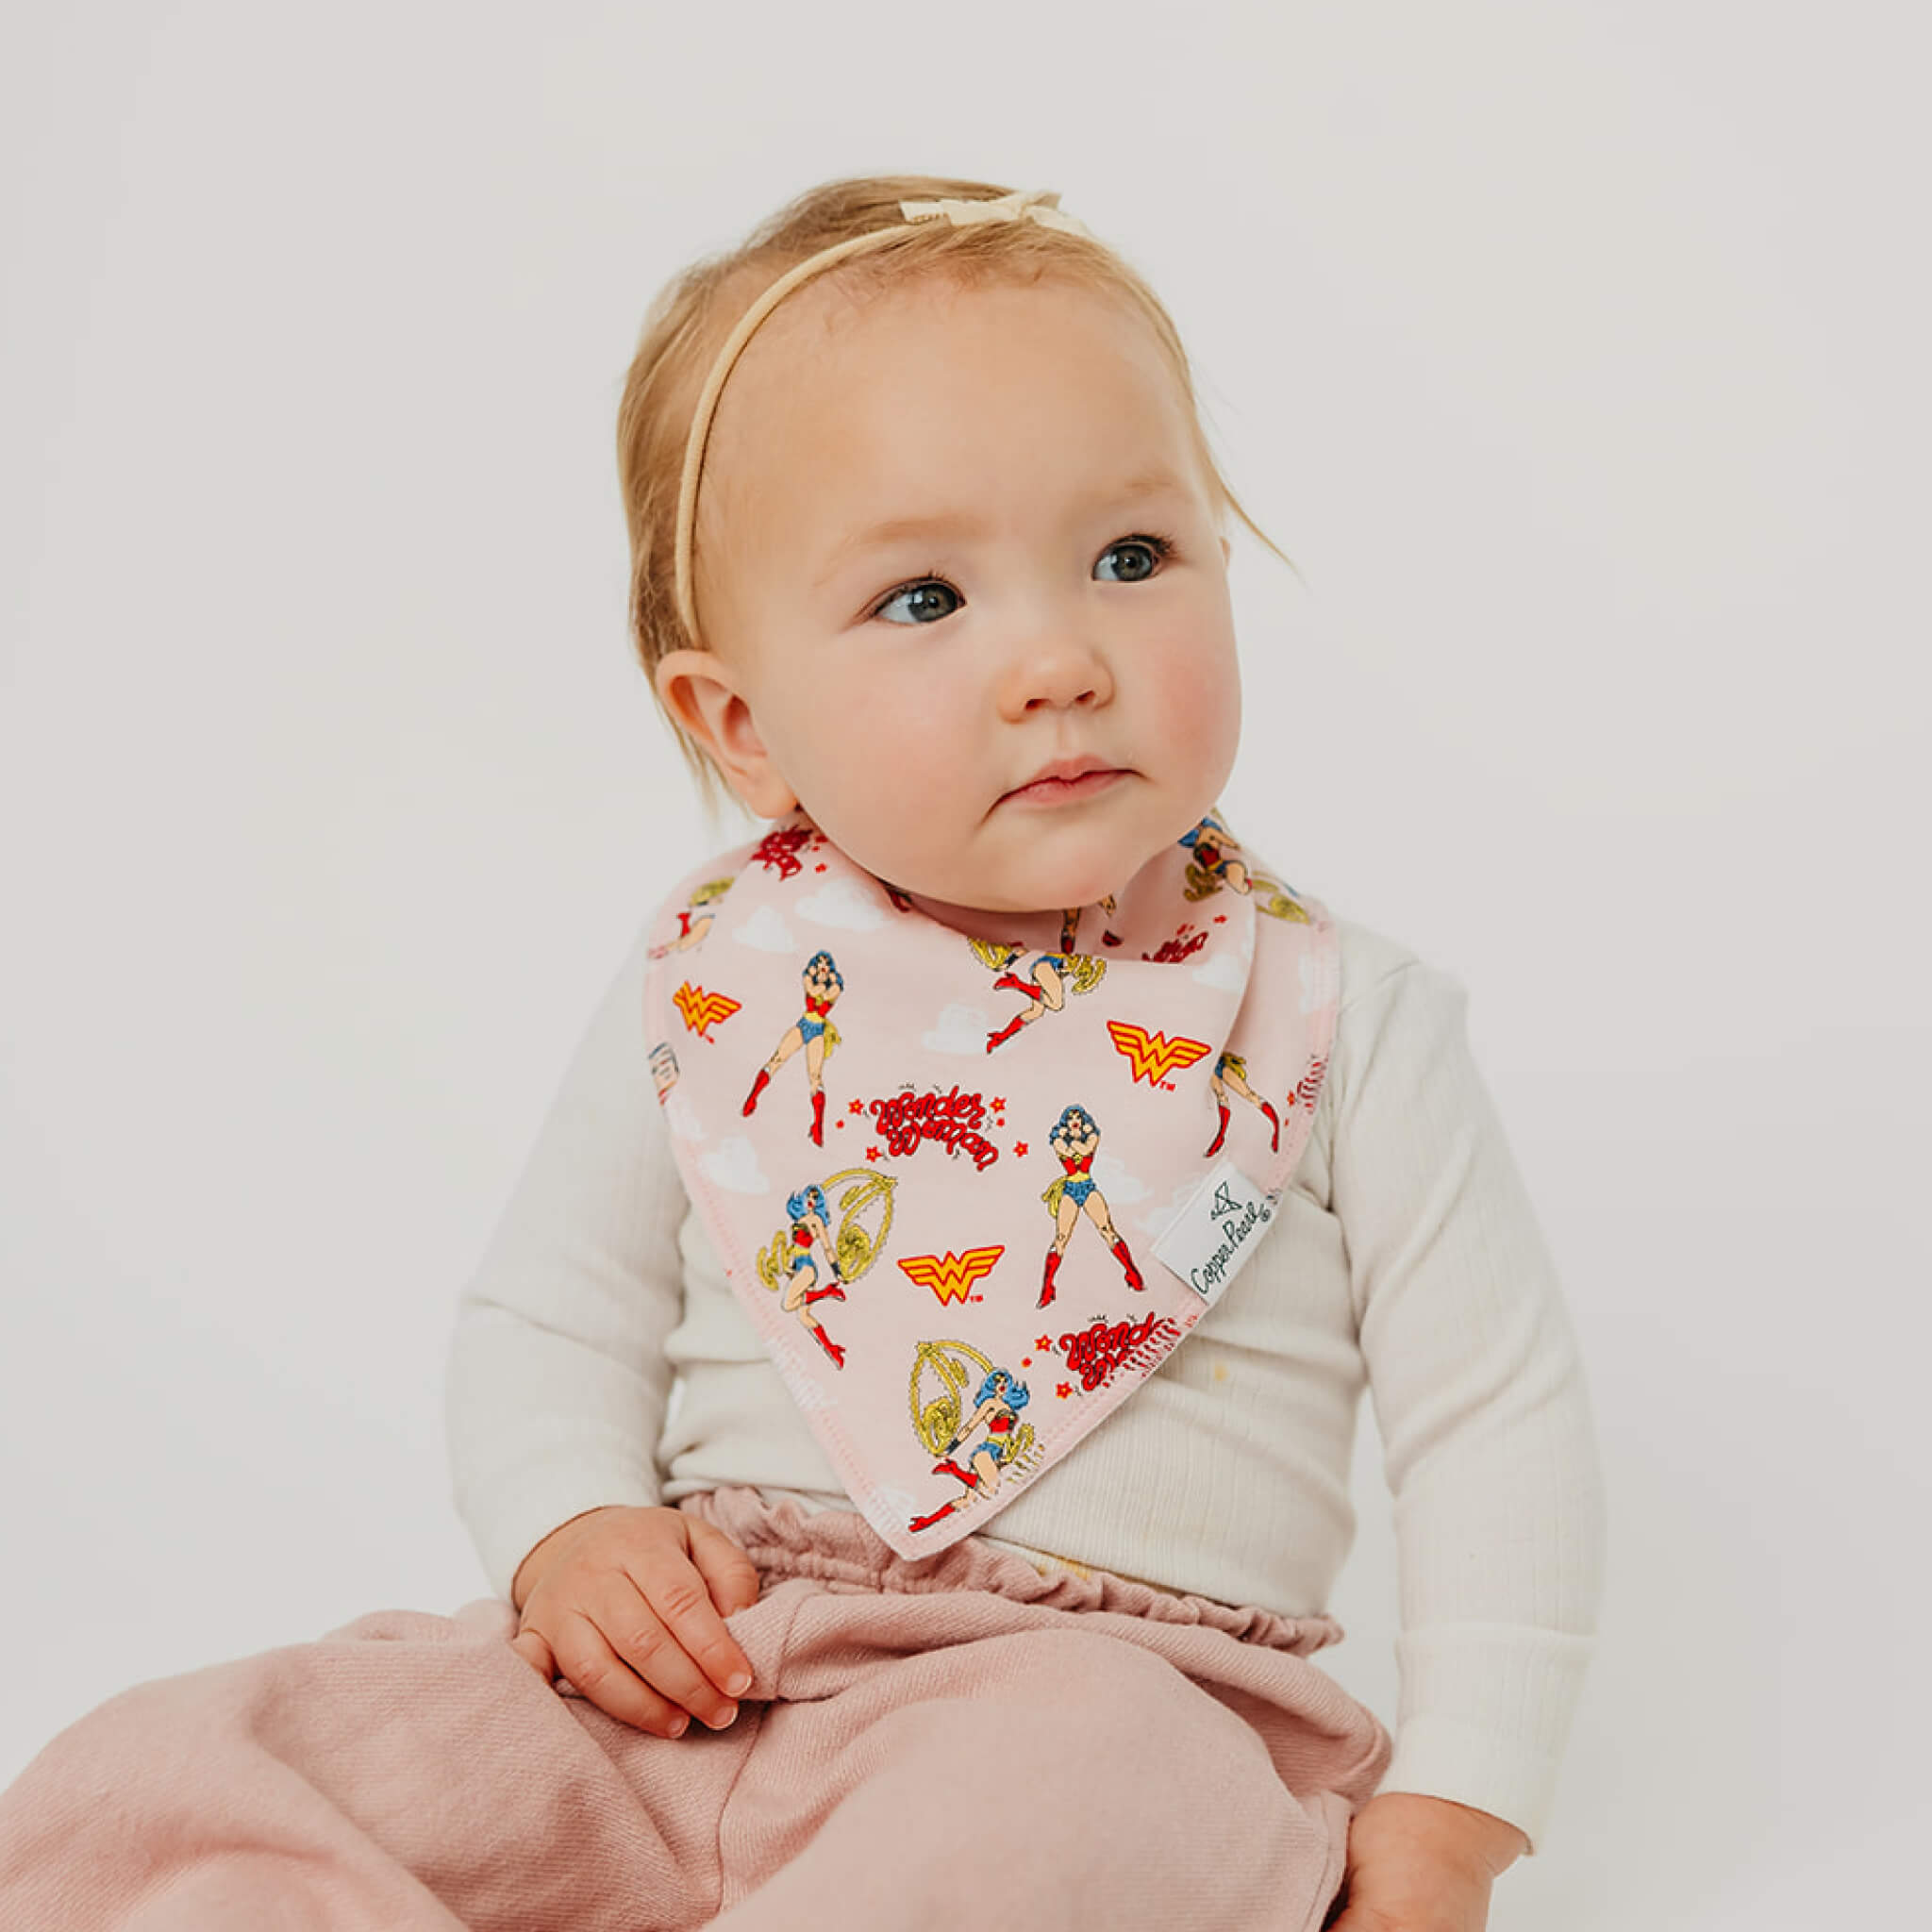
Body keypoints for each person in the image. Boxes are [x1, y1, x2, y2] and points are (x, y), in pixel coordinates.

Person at [0, 175, 1605, 1932]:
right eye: (925, 597)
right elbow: (551, 1319)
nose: (1060, 659)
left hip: (1097, 1698)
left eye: (1132, 558)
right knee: (185, 1762)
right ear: (739, 724)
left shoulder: (1337, 1016)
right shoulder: (722, 981)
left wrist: (1456, 1813)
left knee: (1092, 1797)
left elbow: (1495, 1423)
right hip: (704, 1665)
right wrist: (571, 1533)